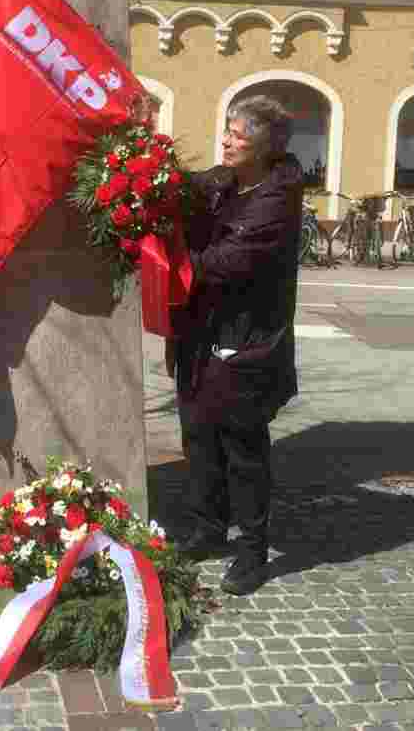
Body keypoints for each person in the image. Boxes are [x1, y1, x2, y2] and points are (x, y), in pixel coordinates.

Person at [171, 94, 302, 596]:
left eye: (239, 134)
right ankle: (207, 529)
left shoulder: (274, 201)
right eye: (227, 129)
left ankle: (252, 550)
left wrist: (167, 264)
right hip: (202, 336)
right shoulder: (225, 182)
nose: (226, 139)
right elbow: (182, 191)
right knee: (199, 436)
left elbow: (223, 263)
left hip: (246, 344)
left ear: (266, 146)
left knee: (242, 450)